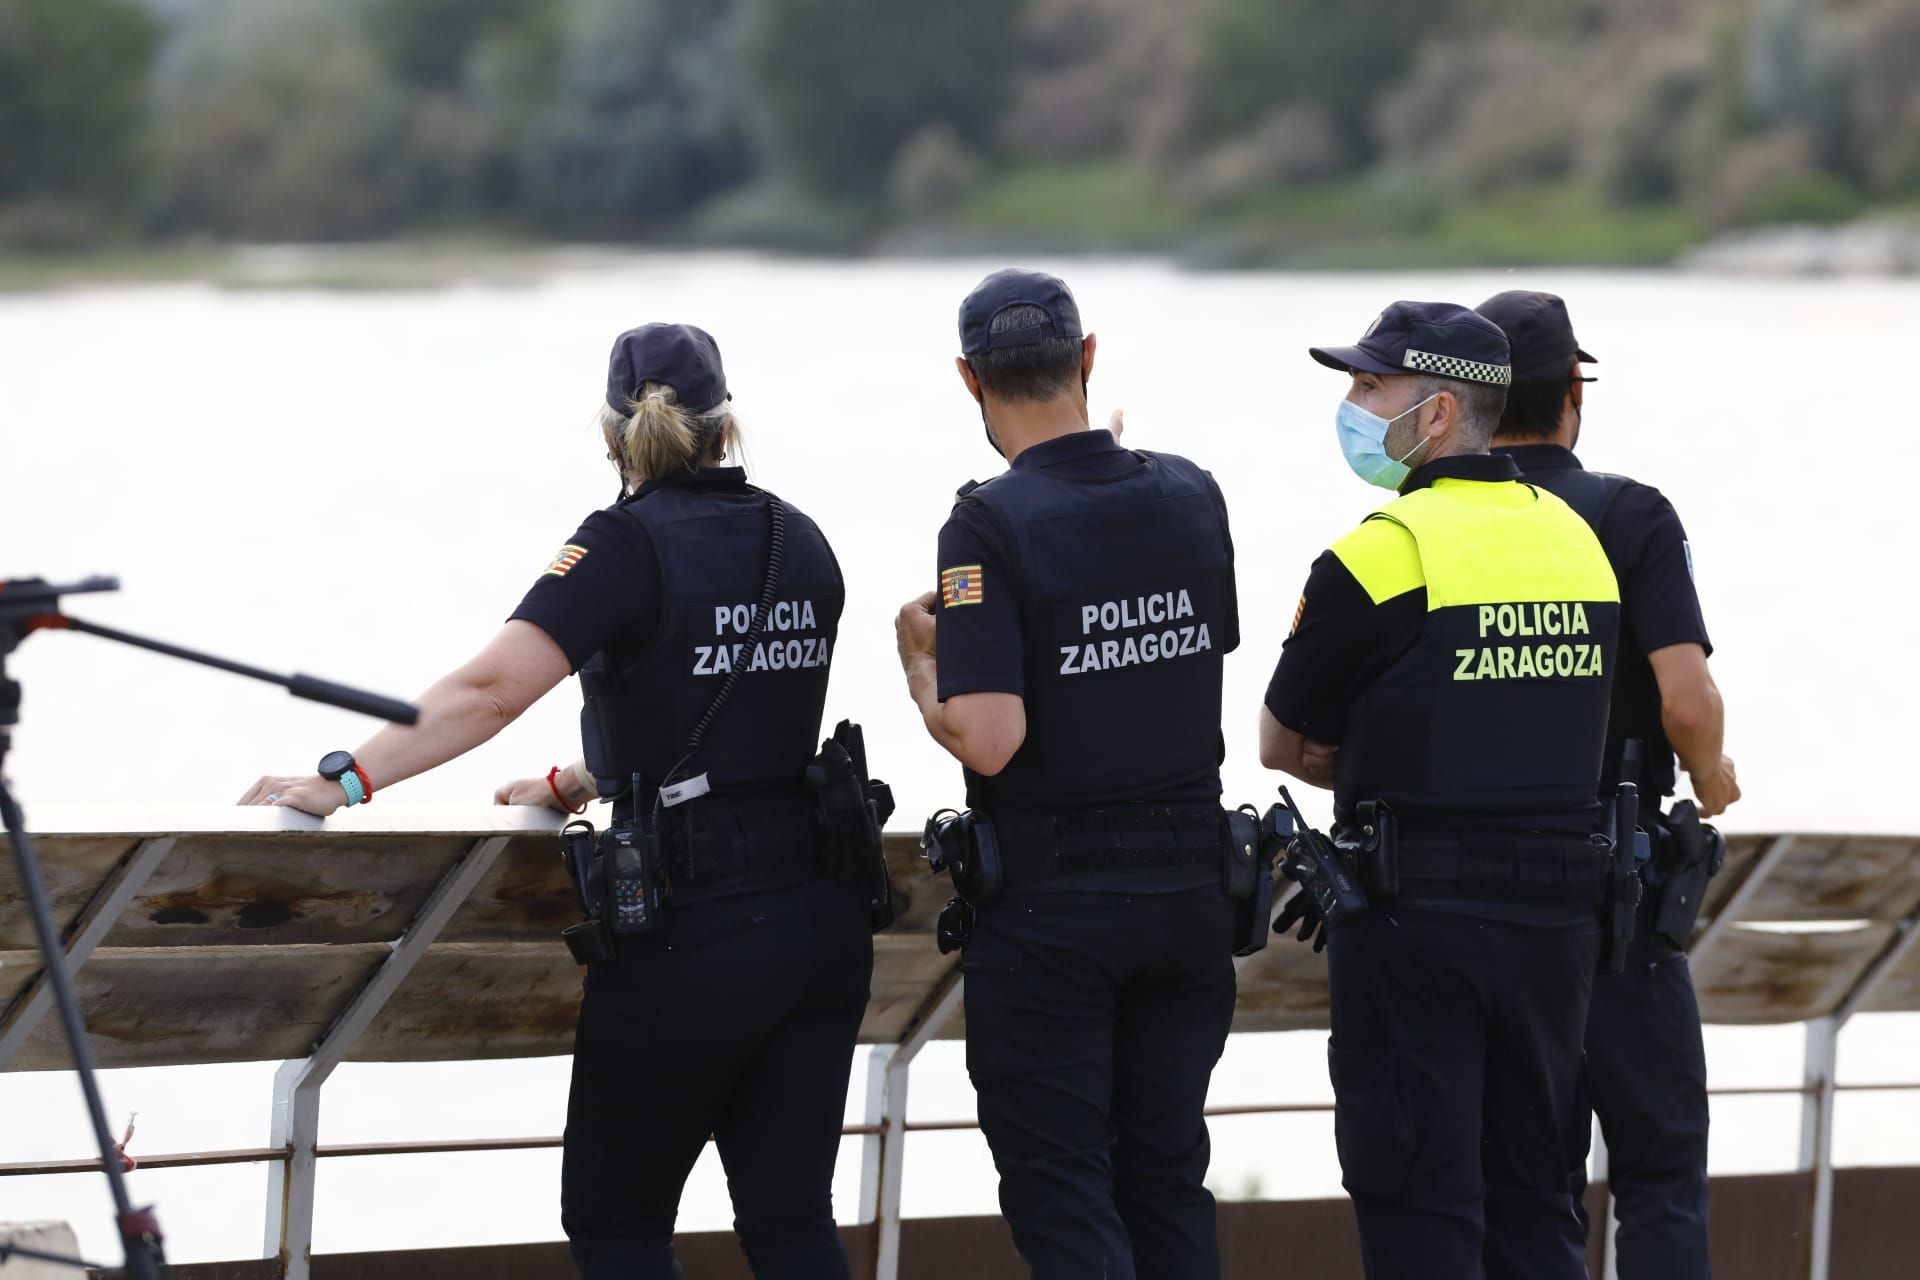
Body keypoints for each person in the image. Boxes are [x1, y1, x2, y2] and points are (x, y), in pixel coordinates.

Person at [241, 323, 872, 1280]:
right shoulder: (803, 538)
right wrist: (588, 776)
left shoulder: (623, 543)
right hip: (820, 923)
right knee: (789, 1221)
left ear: (614, 434)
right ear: (725, 425)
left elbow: (490, 692)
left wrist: (344, 779)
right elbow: (726, 713)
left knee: (619, 1229)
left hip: (696, 935)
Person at [1259, 301, 1621, 1280]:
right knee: (1539, 1201)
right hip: (1556, 929)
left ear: (1437, 411)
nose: (1352, 401)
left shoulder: (1381, 552)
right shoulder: (1575, 541)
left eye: (1370, 385)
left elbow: (1282, 738)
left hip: (1420, 924)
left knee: (1421, 1200)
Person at [894, 268, 1241, 1279]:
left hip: (1058, 918)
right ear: (1087, 358)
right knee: (1167, 1175)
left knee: (1062, 1184)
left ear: (969, 379)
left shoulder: (985, 525)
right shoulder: (1190, 490)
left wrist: (923, 667)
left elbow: (990, 735)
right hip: (1190, 898)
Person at [1479, 289, 1738, 1279]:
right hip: (1619, 894)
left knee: (1529, 1178)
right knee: (1660, 1164)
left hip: (1489, 896)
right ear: (1573, 394)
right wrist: (1710, 777)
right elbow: (1686, 697)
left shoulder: (1434, 525)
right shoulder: (1630, 513)